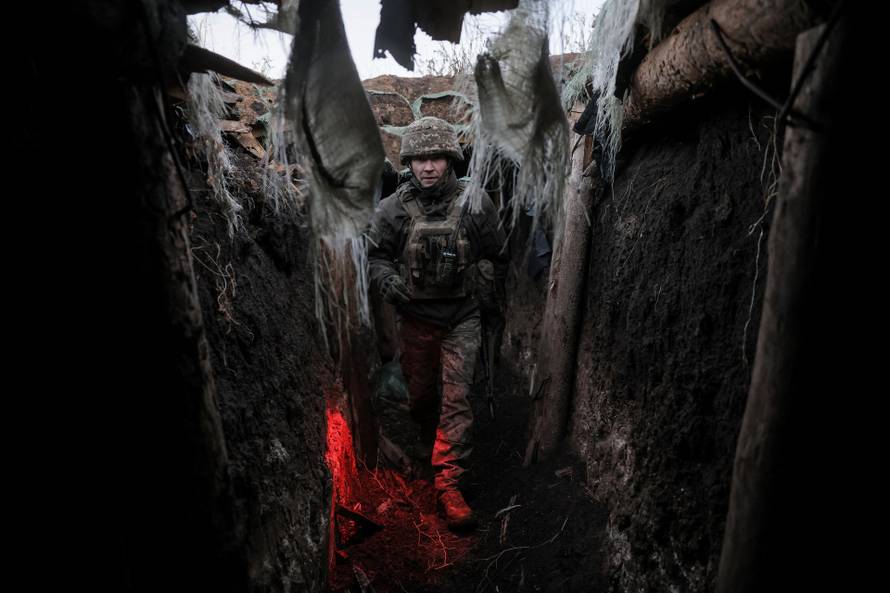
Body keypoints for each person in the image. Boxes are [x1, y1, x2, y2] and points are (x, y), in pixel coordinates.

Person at [365, 116, 507, 531]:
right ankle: (432, 441)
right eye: (420, 159)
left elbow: (499, 256)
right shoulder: (391, 210)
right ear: (408, 163)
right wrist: (389, 280)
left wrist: (487, 293)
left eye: (437, 158)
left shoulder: (476, 204)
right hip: (416, 319)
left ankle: (449, 484)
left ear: (450, 160)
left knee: (456, 401)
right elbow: (374, 257)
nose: (428, 167)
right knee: (422, 398)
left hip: (462, 317)